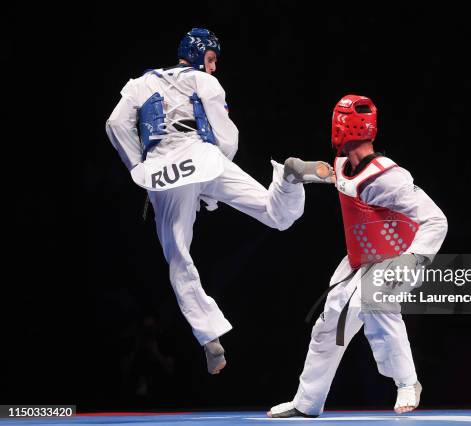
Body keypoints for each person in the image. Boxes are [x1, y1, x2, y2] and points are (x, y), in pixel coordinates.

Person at [106, 28, 333, 375]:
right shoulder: (206, 83)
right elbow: (228, 136)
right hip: (202, 155)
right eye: (211, 60)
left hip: (163, 166)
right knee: (277, 215)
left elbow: (115, 124)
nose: (212, 67)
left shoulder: (139, 83)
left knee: (178, 256)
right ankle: (287, 178)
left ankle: (209, 337)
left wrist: (140, 168)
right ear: (198, 56)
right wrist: (211, 180)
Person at [268, 94, 448, 417]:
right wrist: (300, 170)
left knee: (373, 298)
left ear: (341, 127)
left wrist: (415, 258)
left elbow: (436, 219)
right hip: (360, 260)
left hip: (399, 258)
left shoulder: (388, 176)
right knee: (328, 325)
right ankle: (306, 403)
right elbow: (332, 175)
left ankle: (408, 382)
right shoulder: (343, 166)